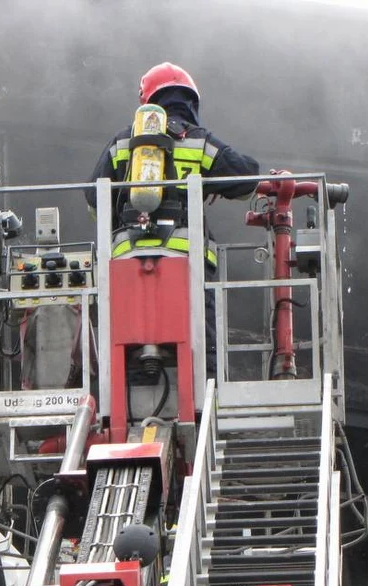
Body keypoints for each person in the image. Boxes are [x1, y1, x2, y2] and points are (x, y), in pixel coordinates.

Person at [85, 62, 265, 378]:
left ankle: (132, 388)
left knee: (127, 348)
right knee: (200, 346)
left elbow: (93, 199)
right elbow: (246, 176)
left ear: (147, 101)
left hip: (127, 262)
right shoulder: (198, 140)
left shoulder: (122, 142)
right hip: (186, 262)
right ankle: (207, 389)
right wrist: (209, 184)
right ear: (190, 102)